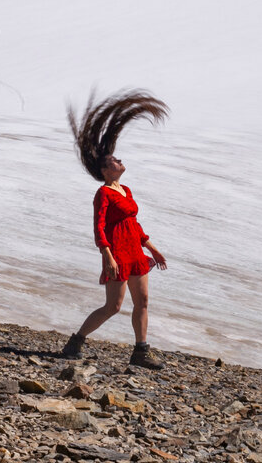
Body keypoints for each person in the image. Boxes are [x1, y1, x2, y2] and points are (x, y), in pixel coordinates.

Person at [61, 89, 169, 369]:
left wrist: (152, 248)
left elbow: (133, 224)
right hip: (117, 253)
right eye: (114, 161)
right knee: (114, 306)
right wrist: (107, 255)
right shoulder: (103, 194)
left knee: (142, 301)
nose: (119, 161)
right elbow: (99, 227)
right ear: (106, 171)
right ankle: (76, 341)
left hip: (135, 250)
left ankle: (141, 352)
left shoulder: (126, 190)